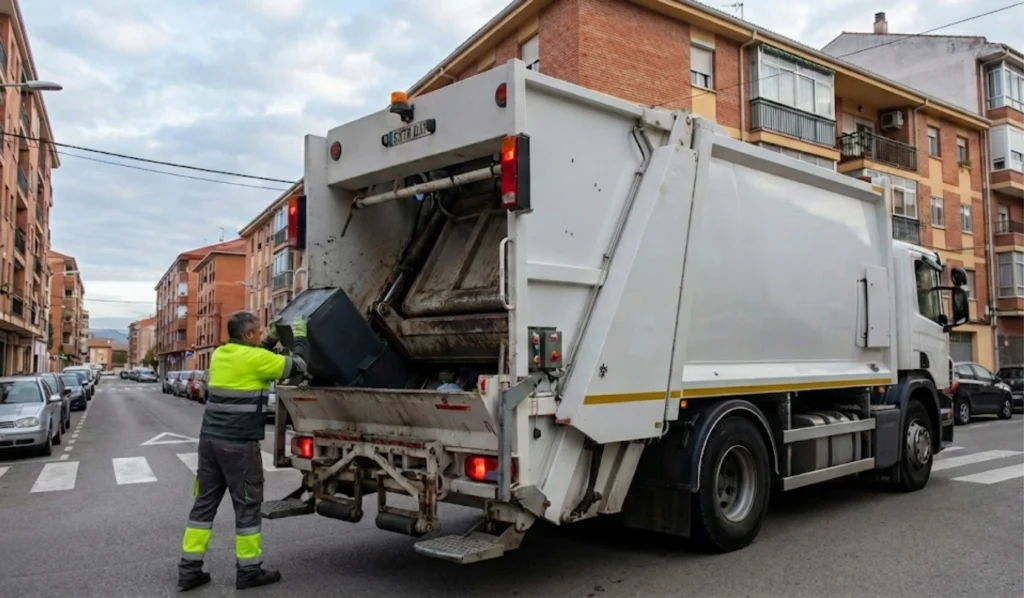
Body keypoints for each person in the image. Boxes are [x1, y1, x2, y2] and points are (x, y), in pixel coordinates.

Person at [177, 311, 309, 592]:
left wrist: (270, 339)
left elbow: (255, 357)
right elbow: (297, 365)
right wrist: (299, 337)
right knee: (247, 506)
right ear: (248, 335)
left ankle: (189, 570)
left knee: (204, 505)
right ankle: (249, 571)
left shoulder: (221, 354)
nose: (262, 335)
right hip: (239, 445)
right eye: (259, 332)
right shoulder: (257, 360)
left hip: (210, 442)